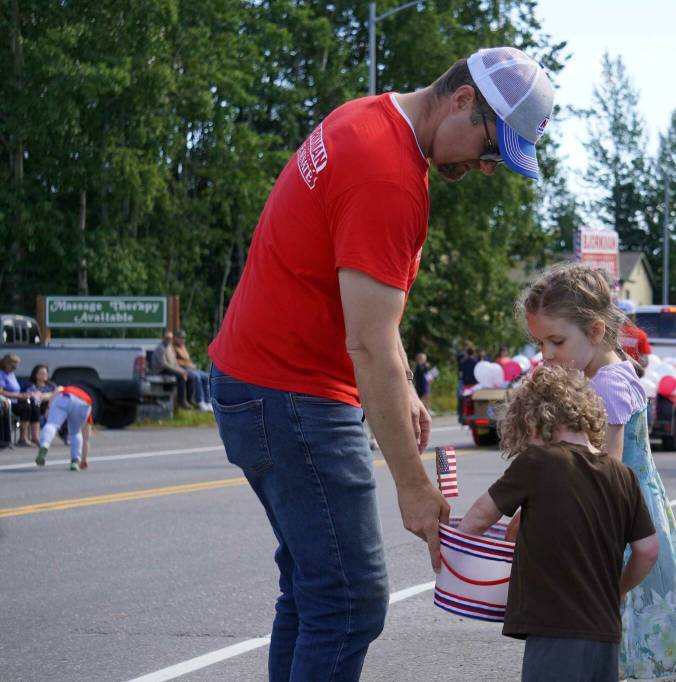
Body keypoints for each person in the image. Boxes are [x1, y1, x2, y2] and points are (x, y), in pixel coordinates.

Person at [206, 46, 554, 680]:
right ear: (463, 100)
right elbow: (367, 344)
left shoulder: (368, 116)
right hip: (293, 395)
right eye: (490, 148)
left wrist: (406, 389)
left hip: (253, 380)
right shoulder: (388, 179)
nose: (484, 167)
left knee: (314, 590)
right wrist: (413, 483)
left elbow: (366, 317)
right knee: (349, 601)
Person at [521, 262, 676, 678]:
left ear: (596, 331)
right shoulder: (608, 372)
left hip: (616, 526)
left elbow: (604, 469)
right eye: (540, 343)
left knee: (613, 639)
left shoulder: (607, 384)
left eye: (555, 341)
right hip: (633, 515)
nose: (546, 355)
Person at [460, 364, 659, 682]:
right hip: (605, 633)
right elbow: (648, 551)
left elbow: (477, 519)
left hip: (554, 630)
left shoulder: (538, 461)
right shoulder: (622, 475)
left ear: (533, 421)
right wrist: (616, 588)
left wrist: (456, 564)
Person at [35, 385, 93, 471]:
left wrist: (49, 407)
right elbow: (86, 439)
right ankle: (75, 461)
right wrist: (84, 460)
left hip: (66, 397)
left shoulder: (67, 388)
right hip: (85, 404)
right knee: (75, 432)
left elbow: (58, 389)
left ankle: (44, 445)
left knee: (52, 424)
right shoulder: (86, 400)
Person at [16, 364, 59, 446]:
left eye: (45, 373)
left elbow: (57, 393)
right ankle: (35, 436)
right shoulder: (30, 384)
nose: (44, 375)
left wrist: (43, 396)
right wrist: (47, 396)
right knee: (34, 404)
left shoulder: (51, 385)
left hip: (49, 407)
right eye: (41, 373)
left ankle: (66, 435)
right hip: (35, 407)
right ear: (35, 374)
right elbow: (31, 395)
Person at [152, 330, 194, 410]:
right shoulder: (161, 348)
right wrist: (179, 371)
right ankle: (181, 401)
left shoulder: (170, 347)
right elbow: (164, 364)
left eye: (170, 338)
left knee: (189, 376)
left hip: (170, 368)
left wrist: (181, 370)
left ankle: (189, 400)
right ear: (163, 338)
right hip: (161, 370)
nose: (169, 340)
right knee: (181, 377)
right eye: (167, 338)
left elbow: (174, 362)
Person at [173, 329, 213, 412]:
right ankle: (200, 401)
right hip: (182, 369)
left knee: (206, 376)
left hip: (191, 367)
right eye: (180, 338)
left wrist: (191, 364)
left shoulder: (183, 347)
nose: (182, 339)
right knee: (196, 377)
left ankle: (208, 401)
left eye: (183, 338)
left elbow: (188, 359)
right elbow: (175, 362)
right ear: (175, 338)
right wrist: (188, 364)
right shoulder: (173, 348)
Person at [0, 353, 26, 448]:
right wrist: (15, 396)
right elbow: (1, 391)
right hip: (8, 401)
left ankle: (23, 438)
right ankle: (5, 440)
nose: (14, 369)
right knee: (4, 407)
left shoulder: (11, 374)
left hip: (14, 400)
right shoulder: (1, 374)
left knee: (29, 405)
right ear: (6, 364)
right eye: (13, 367)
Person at [616, 300, 651, 369]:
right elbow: (644, 362)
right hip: (633, 374)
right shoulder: (640, 335)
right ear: (633, 316)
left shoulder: (609, 333)